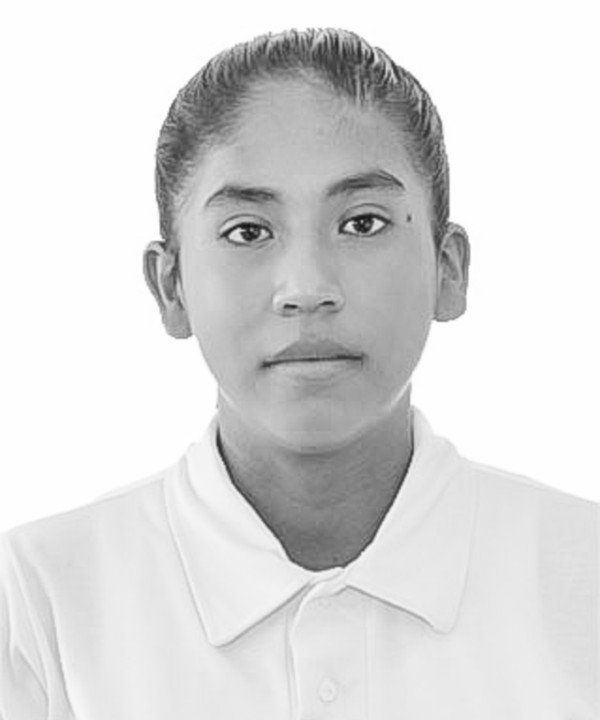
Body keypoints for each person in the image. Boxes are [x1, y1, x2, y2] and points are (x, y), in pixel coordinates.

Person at [0, 27, 597, 720]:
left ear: (449, 269)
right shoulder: (37, 602)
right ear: (171, 287)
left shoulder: (584, 579)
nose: (307, 288)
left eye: (363, 223)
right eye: (248, 231)